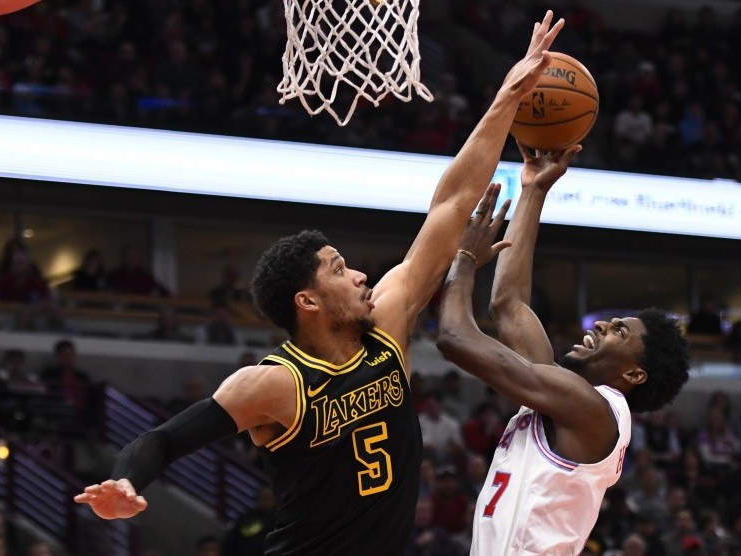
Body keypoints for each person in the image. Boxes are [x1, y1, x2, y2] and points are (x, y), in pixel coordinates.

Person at [74, 11, 566, 556]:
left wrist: (507, 96)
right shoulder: (274, 384)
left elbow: (451, 204)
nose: (358, 273)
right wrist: (126, 479)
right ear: (306, 300)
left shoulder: (387, 323)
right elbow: (165, 439)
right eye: (337, 268)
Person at [435, 145, 690, 555]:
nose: (603, 324)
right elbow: (508, 305)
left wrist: (465, 258)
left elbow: (454, 337)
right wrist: (534, 188)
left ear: (634, 375)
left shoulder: (593, 410)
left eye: (620, 332)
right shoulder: (562, 395)